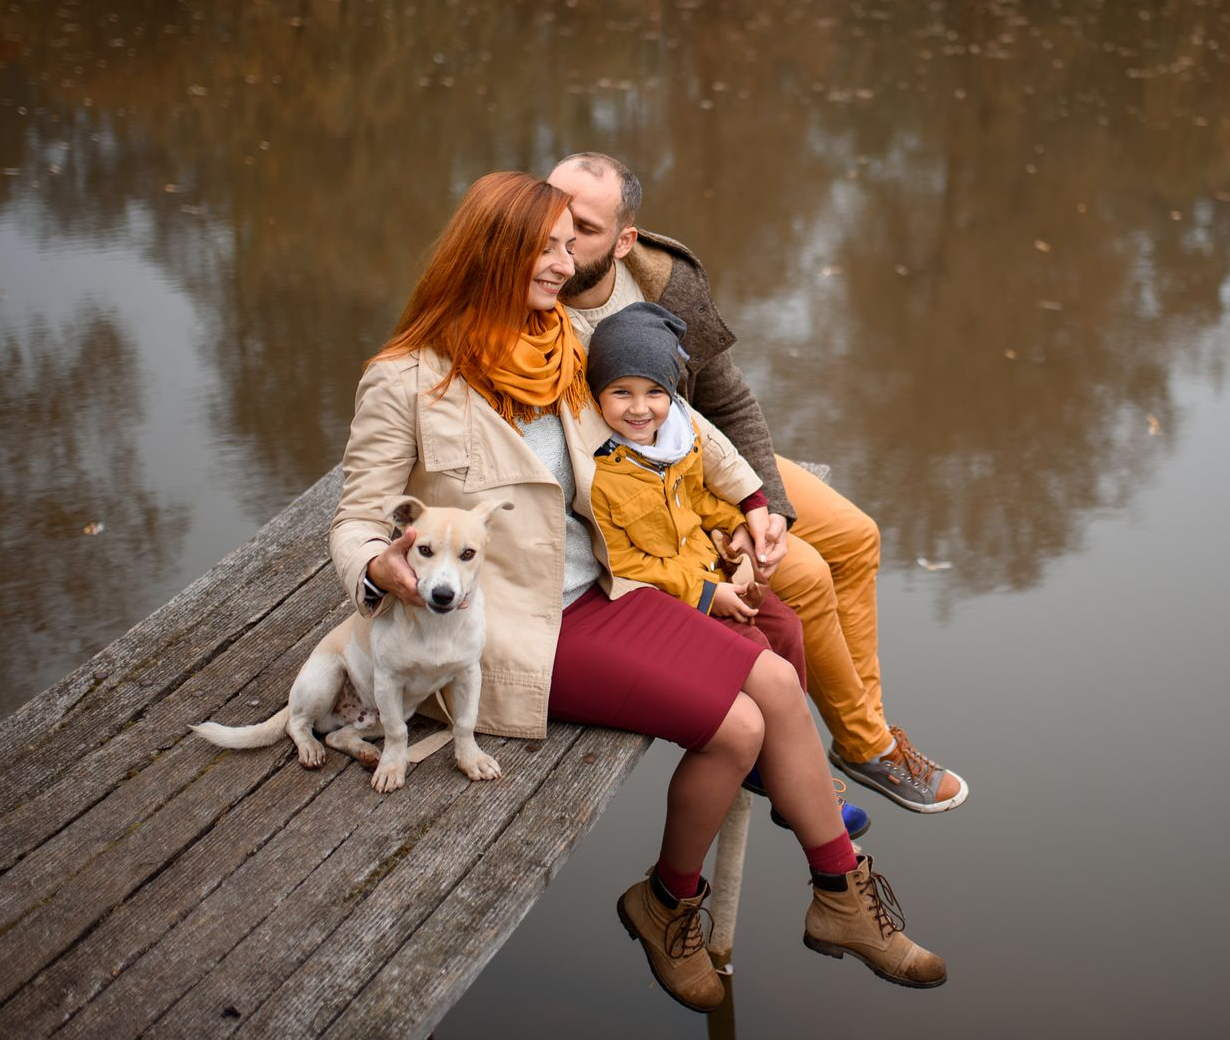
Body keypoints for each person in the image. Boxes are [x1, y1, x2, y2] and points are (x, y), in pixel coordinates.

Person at [329, 172, 947, 1013]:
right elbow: (358, 517)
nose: (563, 262)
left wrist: (748, 505)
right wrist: (377, 569)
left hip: (606, 588)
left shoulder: (563, 346)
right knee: (737, 724)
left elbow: (673, 433)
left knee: (766, 681)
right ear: (492, 252)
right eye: (545, 247)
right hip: (512, 625)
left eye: (566, 242)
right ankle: (673, 903)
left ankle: (831, 892)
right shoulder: (406, 378)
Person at [548, 152, 969, 815]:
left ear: (625, 239)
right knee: (801, 577)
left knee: (857, 537)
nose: (560, 237)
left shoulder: (661, 281)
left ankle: (865, 740)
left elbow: (730, 401)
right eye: (550, 209)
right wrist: (716, 520)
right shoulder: (530, 305)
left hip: (701, 460)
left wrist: (764, 505)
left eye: (585, 226)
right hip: (643, 500)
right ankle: (829, 748)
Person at [586, 299, 868, 839]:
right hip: (668, 598)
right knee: (756, 652)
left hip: (710, 569)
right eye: (621, 392)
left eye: (654, 394)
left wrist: (735, 526)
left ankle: (789, 768)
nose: (639, 409)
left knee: (786, 626)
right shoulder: (604, 470)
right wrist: (706, 595)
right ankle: (793, 785)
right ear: (598, 393)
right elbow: (623, 561)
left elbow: (698, 499)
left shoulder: (677, 445)